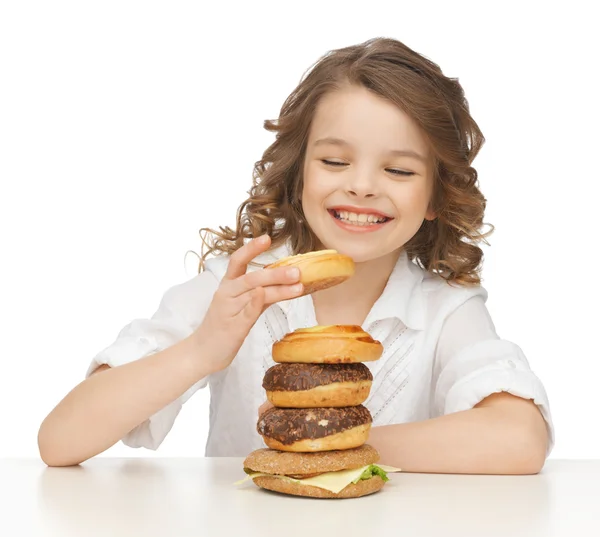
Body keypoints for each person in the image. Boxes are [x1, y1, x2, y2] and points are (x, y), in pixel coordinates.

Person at [38, 37, 553, 473]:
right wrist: (202, 348)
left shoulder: (444, 310)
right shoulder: (237, 288)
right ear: (298, 170)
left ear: (438, 197)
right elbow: (60, 441)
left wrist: (331, 444)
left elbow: (521, 439)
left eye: (398, 170)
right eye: (334, 160)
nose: (362, 186)